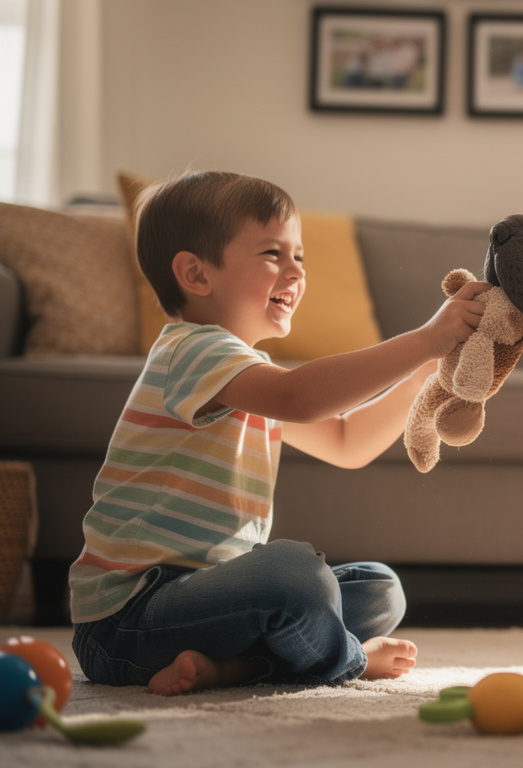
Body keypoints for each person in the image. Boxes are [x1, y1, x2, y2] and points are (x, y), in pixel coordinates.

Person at [69, 170, 490, 696]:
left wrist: (421, 378)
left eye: (300, 257)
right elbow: (303, 397)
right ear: (196, 275)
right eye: (273, 254)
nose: (296, 272)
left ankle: (237, 669)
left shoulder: (244, 374)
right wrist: (427, 339)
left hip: (210, 602)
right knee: (294, 576)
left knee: (379, 589)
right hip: (128, 621)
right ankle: (347, 661)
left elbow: (344, 442)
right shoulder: (193, 351)